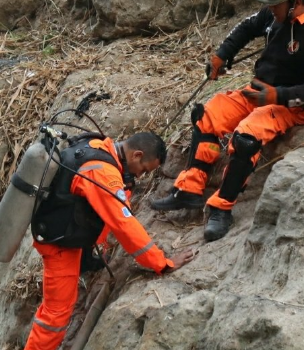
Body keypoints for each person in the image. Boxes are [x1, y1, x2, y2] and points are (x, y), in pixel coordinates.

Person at [150, 0, 304, 242]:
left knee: (246, 136)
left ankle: (222, 207)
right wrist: (222, 54)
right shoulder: (275, 13)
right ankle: (189, 189)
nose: (268, 8)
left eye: (274, 3)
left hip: (290, 106)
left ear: (295, 1)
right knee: (208, 115)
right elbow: (246, 28)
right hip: (258, 93)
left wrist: (278, 95)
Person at [24, 131, 194, 350]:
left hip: (63, 230)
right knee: (56, 314)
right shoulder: (103, 172)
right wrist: (162, 263)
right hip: (59, 246)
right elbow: (124, 225)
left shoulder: (98, 146)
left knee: (57, 310)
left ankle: (87, 260)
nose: (141, 176)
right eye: (144, 169)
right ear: (136, 154)